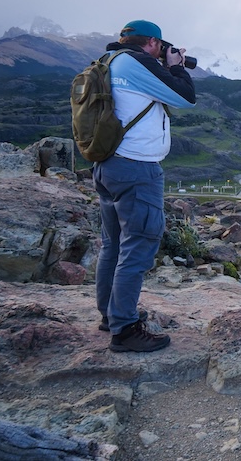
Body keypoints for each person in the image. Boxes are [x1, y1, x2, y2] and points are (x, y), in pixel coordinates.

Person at [94, 20, 196, 353]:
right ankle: (124, 330)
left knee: (114, 245)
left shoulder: (109, 62)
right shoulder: (137, 62)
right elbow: (185, 98)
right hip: (136, 170)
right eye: (162, 45)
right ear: (152, 42)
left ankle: (111, 315)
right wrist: (177, 67)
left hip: (107, 166)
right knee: (138, 247)